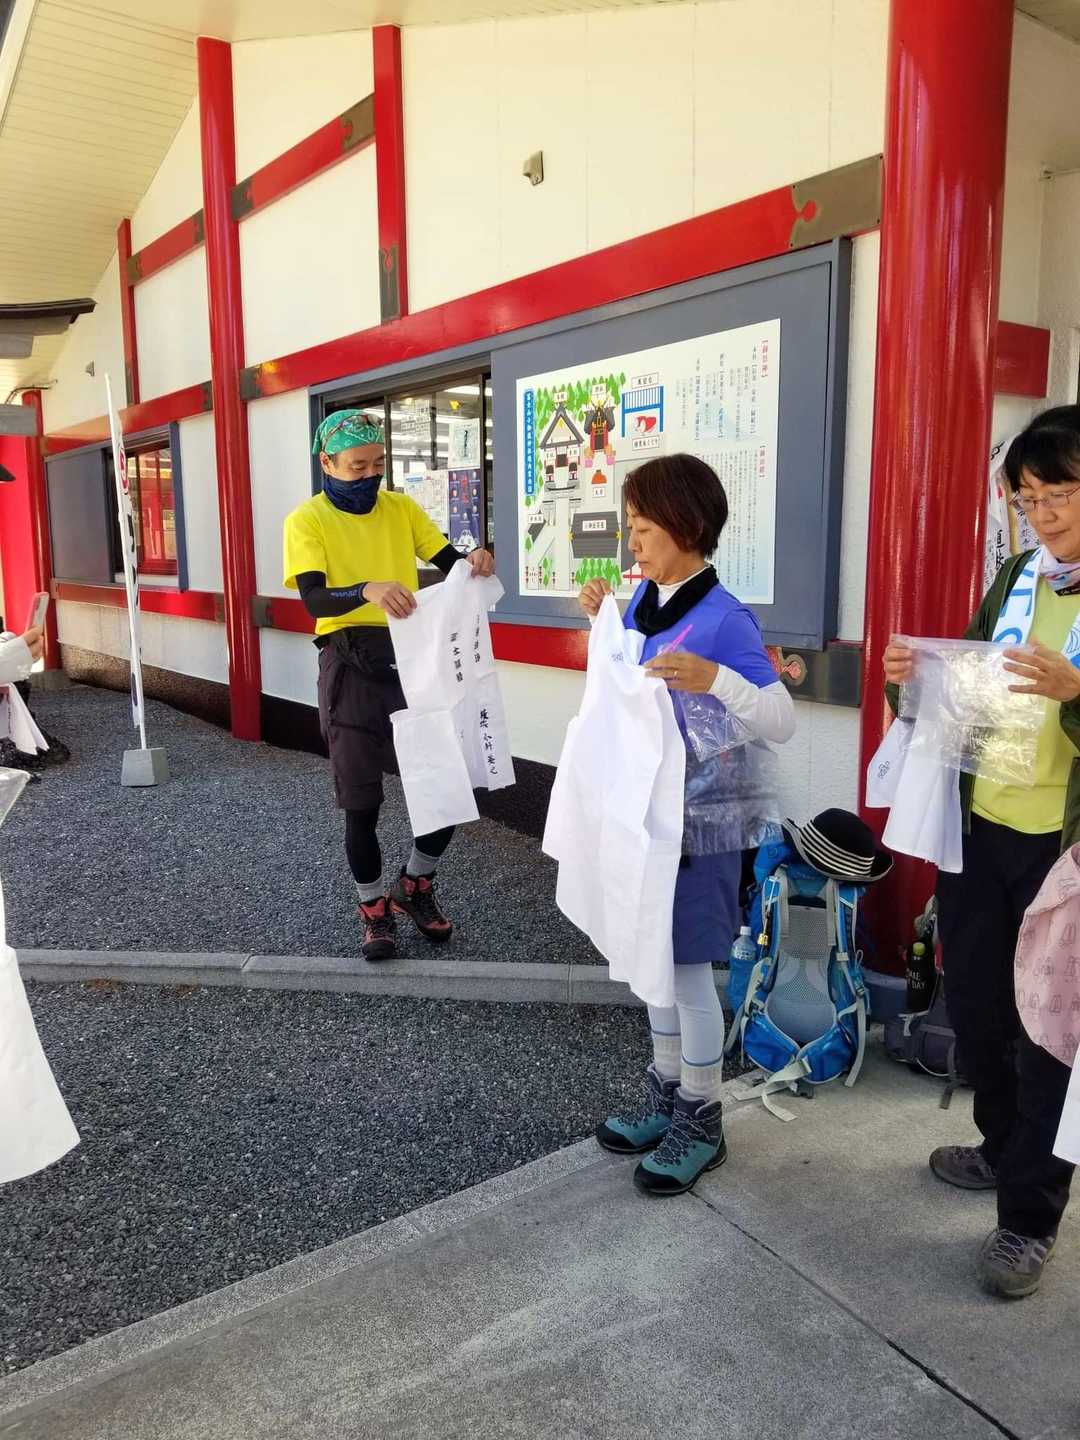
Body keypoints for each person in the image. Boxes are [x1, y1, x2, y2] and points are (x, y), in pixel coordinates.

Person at [884, 404, 1080, 1299]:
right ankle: (1004, 1150)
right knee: (980, 1009)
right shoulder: (1017, 577)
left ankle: (1029, 1220)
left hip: (1061, 851)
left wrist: (1077, 690)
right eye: (1030, 497)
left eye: (1061, 493)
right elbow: (970, 687)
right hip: (980, 828)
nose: (1044, 515)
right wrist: (915, 684)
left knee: (1049, 1033)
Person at [579, 453, 796, 1196]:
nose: (632, 543)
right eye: (631, 528)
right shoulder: (647, 600)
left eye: (643, 528)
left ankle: (702, 1117)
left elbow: (781, 719)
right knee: (654, 960)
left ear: (687, 526)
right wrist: (601, 620)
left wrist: (718, 679)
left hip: (701, 827)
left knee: (688, 972)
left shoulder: (725, 618)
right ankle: (668, 1094)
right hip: (648, 817)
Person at [283, 410, 494, 961]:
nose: (370, 476)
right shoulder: (307, 520)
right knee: (362, 802)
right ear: (327, 463)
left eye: (378, 464)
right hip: (347, 662)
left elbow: (449, 562)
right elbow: (313, 598)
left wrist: (473, 560)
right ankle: (373, 908)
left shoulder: (401, 508)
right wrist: (366, 589)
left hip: (414, 659)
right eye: (357, 466)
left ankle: (415, 883)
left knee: (446, 785)